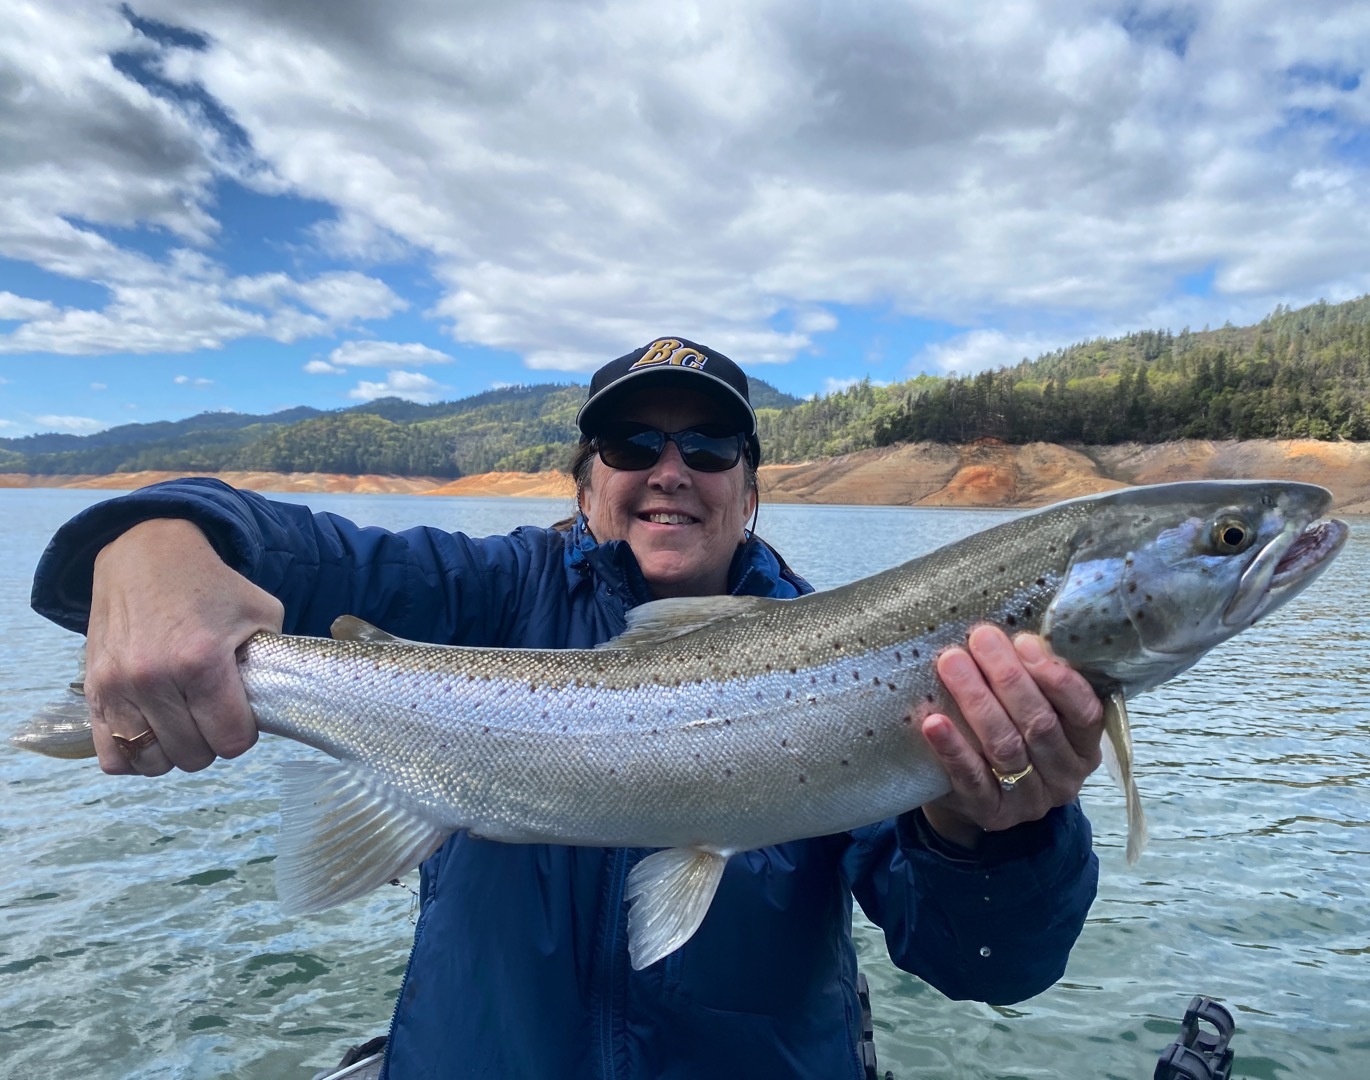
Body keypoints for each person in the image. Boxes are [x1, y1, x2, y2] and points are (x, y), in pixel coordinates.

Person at [31, 336, 1104, 1079]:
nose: (669, 470)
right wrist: (153, 537)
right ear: (584, 484)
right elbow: (296, 549)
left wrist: (991, 837)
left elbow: (984, 967)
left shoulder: (867, 662)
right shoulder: (489, 594)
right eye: (632, 446)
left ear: (749, 485)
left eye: (708, 447)